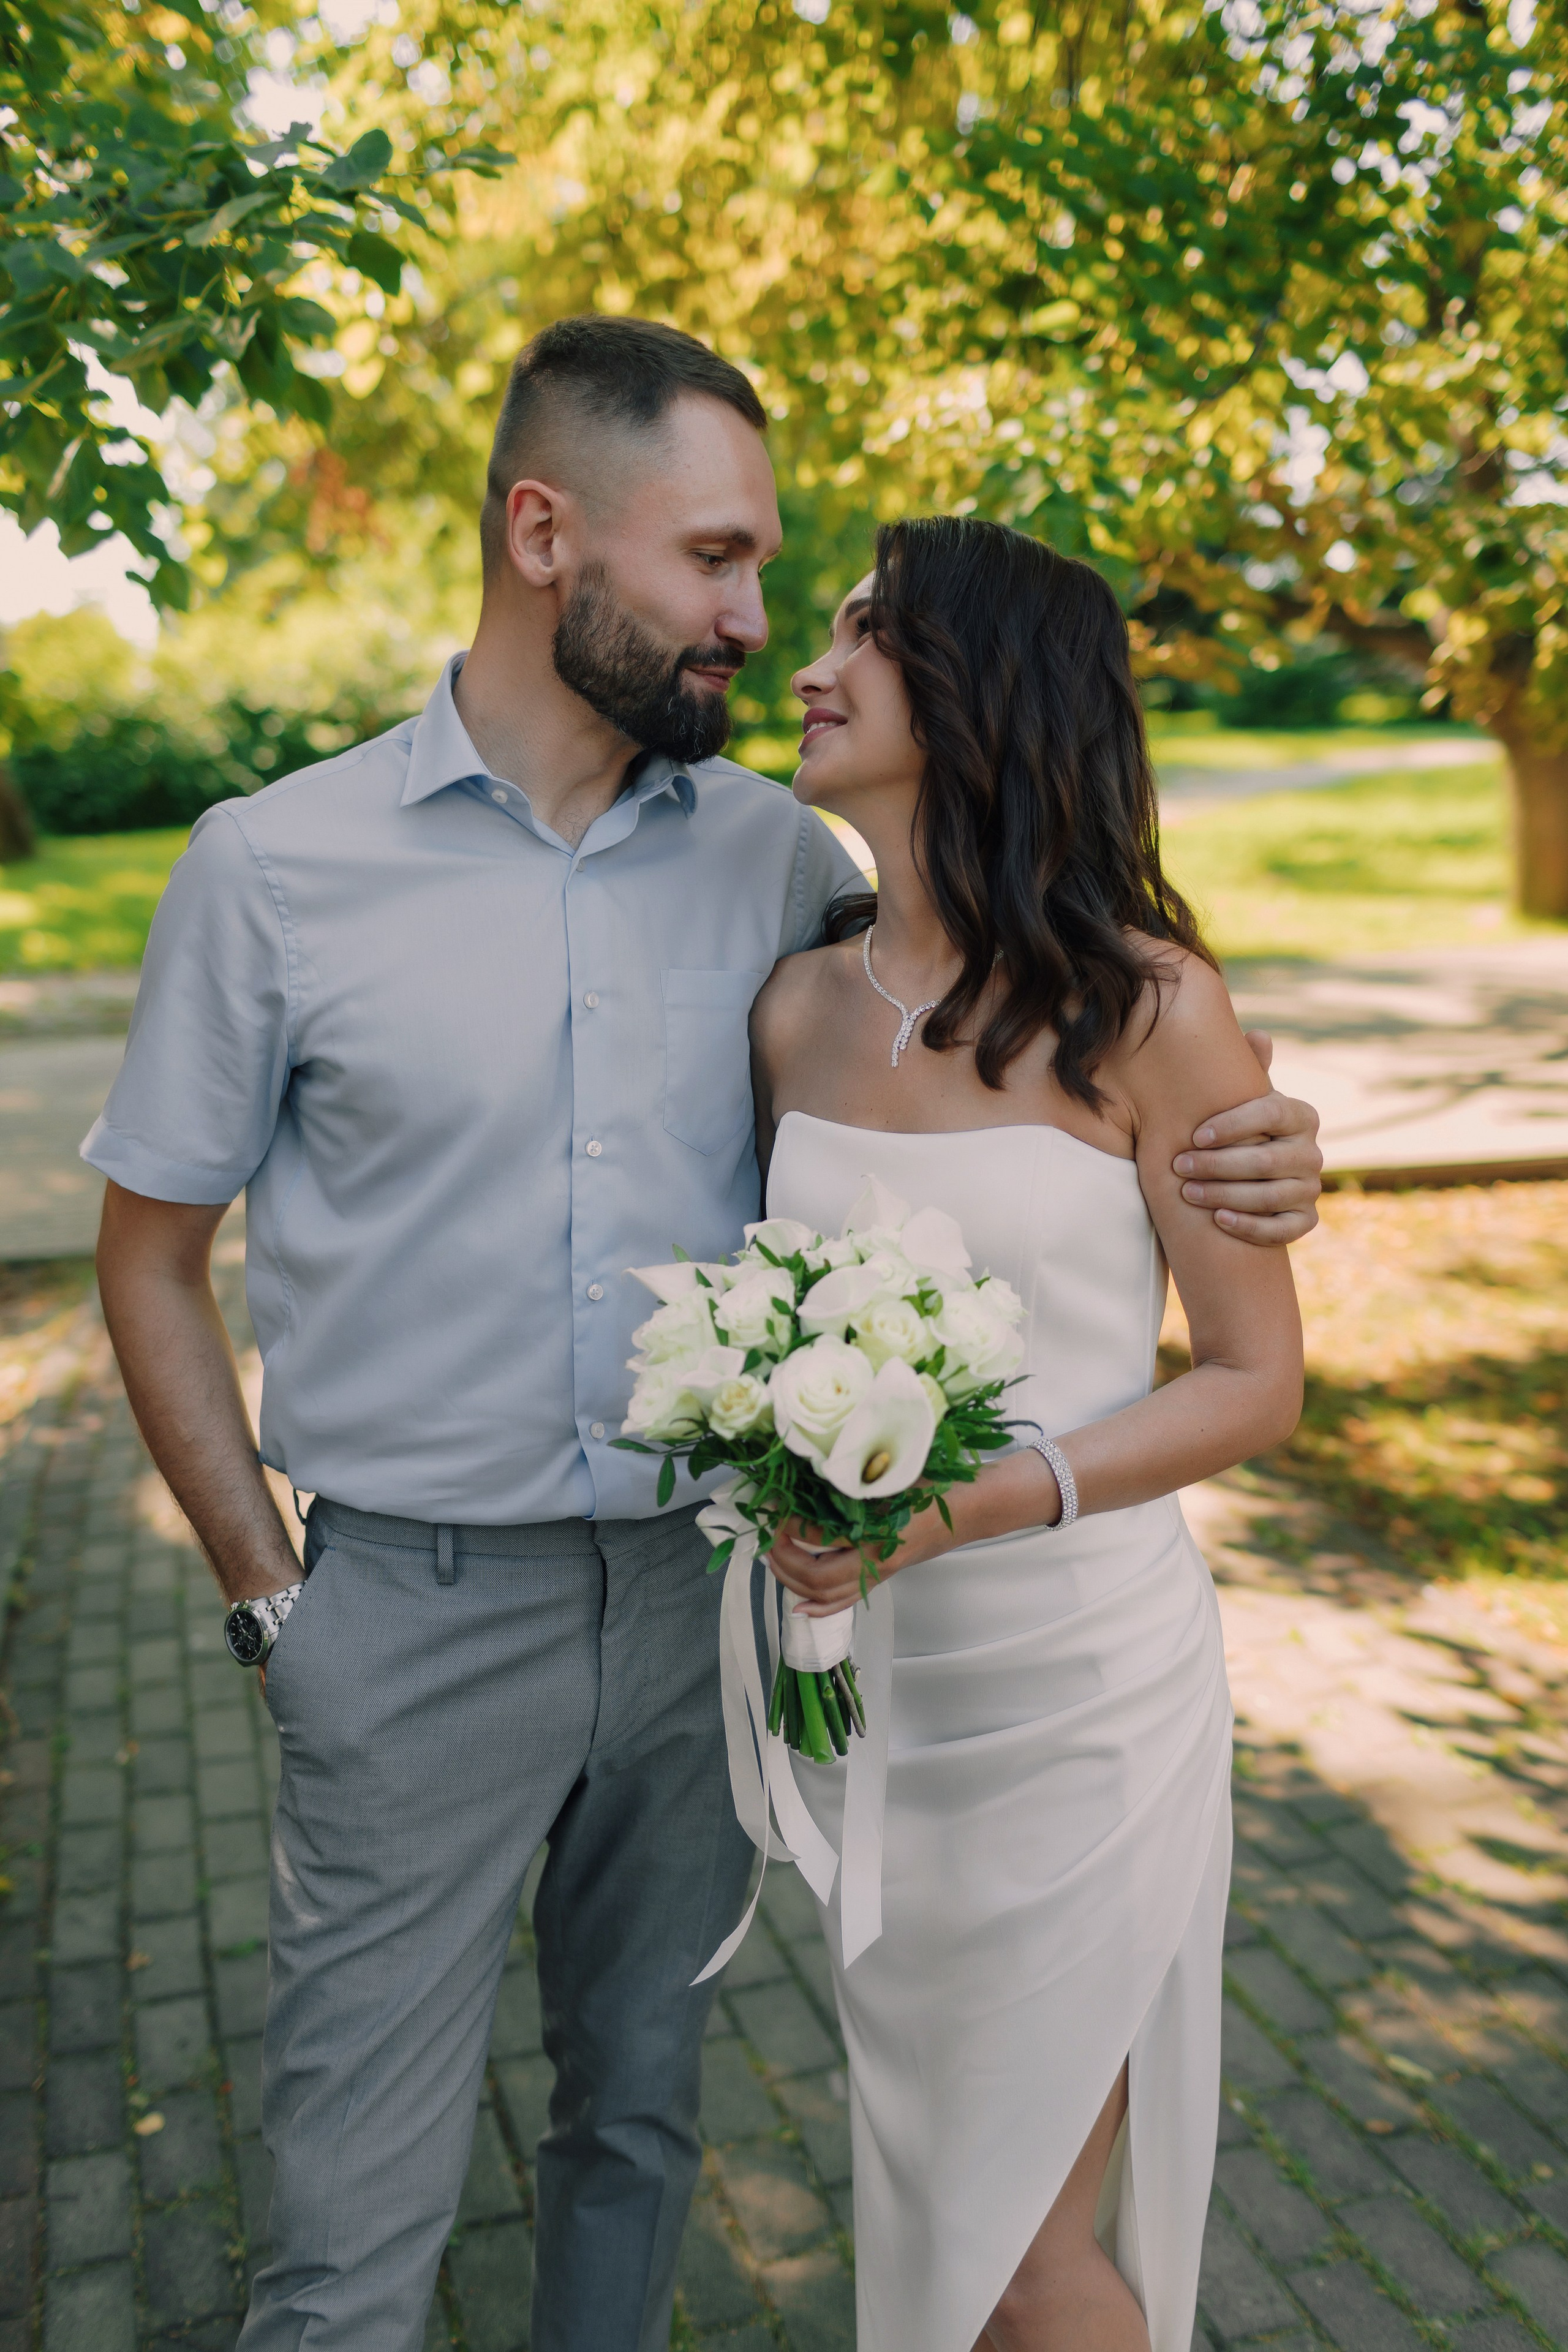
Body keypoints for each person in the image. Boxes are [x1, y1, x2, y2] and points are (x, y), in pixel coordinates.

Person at [85, 318, 1321, 2352]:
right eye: (720, 564)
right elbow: (148, 1251)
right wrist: (265, 1598)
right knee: (346, 2227)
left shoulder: (775, 867)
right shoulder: (279, 870)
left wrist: (1267, 1147)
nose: (759, 626)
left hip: (726, 1616)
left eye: (791, 587)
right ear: (545, 531)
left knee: (643, 2134)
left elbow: (1058, 1063)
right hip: (414, 1610)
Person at [748, 516, 1306, 2352]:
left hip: (1078, 1701)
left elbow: (1250, 1380)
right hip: (870, 1696)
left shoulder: (1149, 1011)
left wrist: (982, 1501)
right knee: (935, 2205)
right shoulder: (793, 1011)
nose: (808, 666)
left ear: (984, 689)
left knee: (1019, 2254)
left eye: (864, 634)